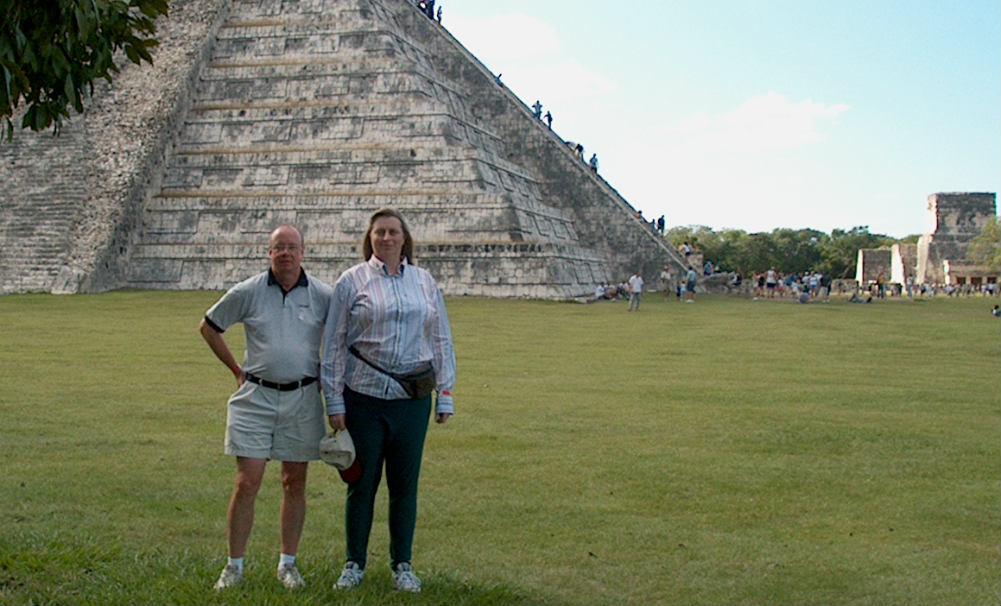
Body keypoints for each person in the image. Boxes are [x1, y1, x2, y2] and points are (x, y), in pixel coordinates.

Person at [322, 208, 456, 594]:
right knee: (360, 484)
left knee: (404, 486)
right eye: (379, 232)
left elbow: (440, 339)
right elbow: (333, 343)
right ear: (370, 237)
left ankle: (403, 565)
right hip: (362, 399)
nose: (386, 238)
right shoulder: (352, 281)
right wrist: (334, 401)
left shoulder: (424, 281)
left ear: (404, 237)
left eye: (392, 232)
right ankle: (354, 563)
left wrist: (444, 394)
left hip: (410, 401)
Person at [200, 225, 333, 591]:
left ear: (304, 252)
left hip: (303, 398)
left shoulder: (323, 294)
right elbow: (209, 327)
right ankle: (234, 565)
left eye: (292, 247)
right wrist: (234, 369)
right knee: (248, 481)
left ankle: (287, 564)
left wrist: (330, 378)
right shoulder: (248, 291)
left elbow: (342, 337)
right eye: (279, 248)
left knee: (295, 482)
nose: (286, 253)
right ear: (269, 253)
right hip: (255, 397)